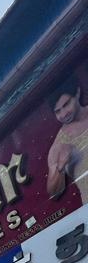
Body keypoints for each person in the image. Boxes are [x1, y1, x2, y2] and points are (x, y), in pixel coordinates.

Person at [46, 75, 88, 203]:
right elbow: (54, 193)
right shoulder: (59, 145)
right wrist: (60, 166)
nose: (64, 114)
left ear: (77, 92)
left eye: (66, 104)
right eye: (58, 111)